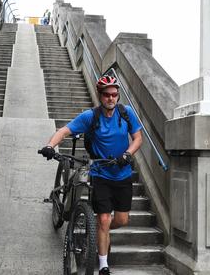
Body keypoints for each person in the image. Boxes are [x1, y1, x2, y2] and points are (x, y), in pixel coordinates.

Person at [39, 75, 142, 275]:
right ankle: (103, 266)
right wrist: (50, 145)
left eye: (114, 94)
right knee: (103, 219)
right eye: (107, 95)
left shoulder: (126, 113)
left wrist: (127, 154)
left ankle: (97, 232)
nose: (111, 98)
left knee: (121, 220)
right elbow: (65, 130)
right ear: (99, 95)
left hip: (123, 174)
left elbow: (138, 138)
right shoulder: (90, 117)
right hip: (100, 174)